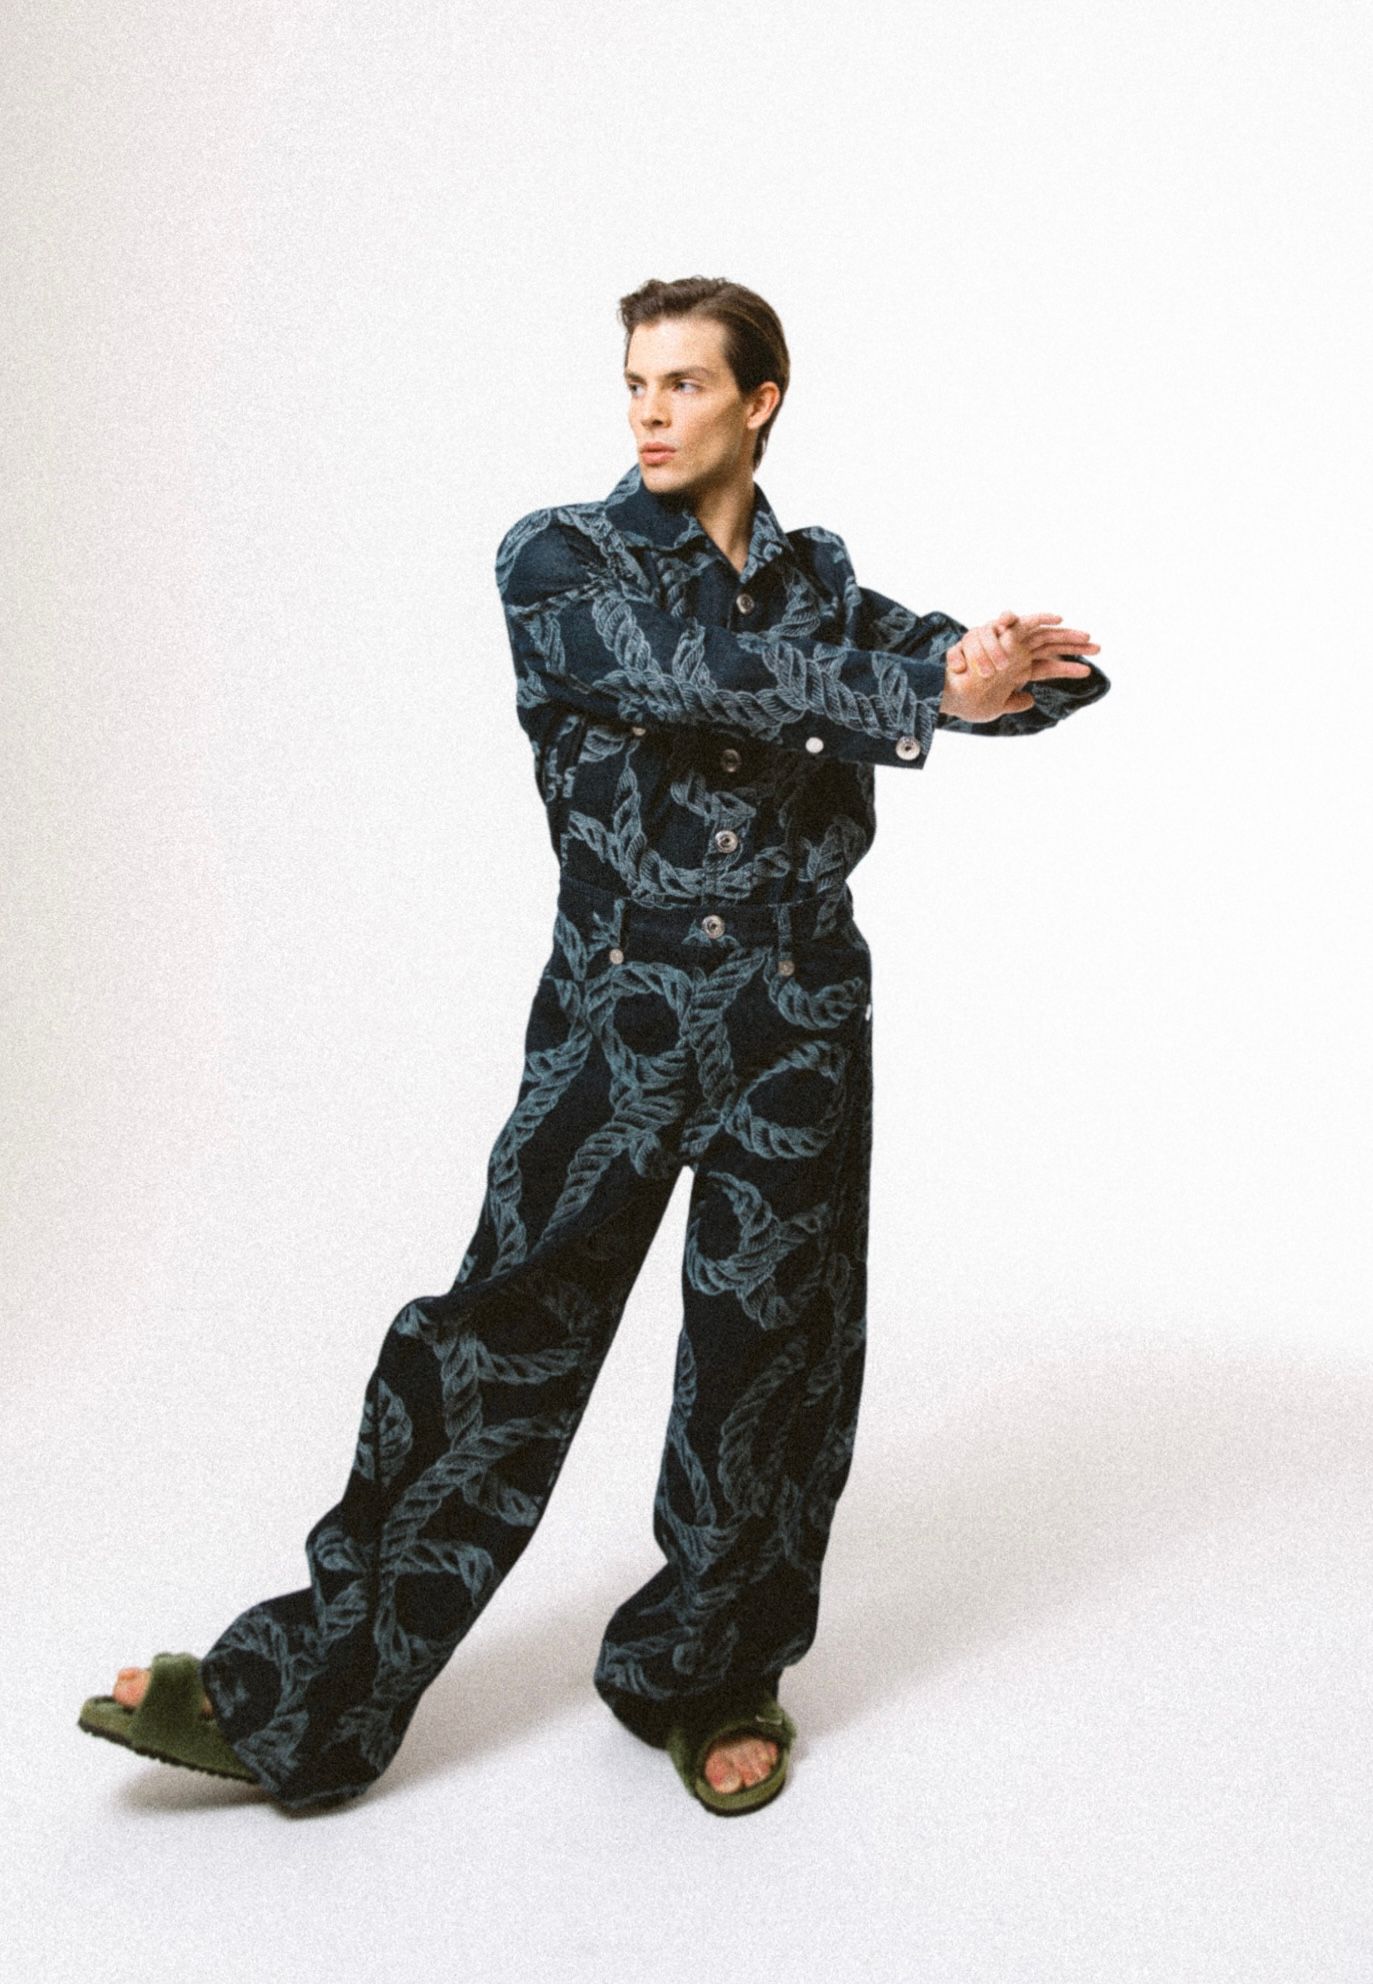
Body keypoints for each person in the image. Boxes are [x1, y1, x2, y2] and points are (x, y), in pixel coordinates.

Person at [79, 275, 1108, 1816]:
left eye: (683, 383)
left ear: (758, 401)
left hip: (796, 1008)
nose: (648, 410)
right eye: (636, 380)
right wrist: (922, 688)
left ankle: (709, 1672)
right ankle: (303, 1696)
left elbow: (959, 678)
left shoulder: (818, 580)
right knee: (499, 1335)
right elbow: (700, 678)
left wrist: (1013, 669)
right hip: (620, 1011)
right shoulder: (560, 559)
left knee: (776, 1352)